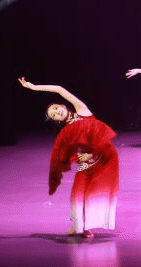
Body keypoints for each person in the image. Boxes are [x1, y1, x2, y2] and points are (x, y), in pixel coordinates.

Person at [19, 77, 119, 237]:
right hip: (87, 163)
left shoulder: (82, 110)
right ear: (56, 121)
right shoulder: (65, 133)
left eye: (56, 108)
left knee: (95, 192)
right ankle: (81, 225)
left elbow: (59, 89)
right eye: (53, 115)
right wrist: (79, 158)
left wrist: (34, 87)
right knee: (78, 192)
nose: (56, 112)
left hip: (104, 158)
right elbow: (70, 153)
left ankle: (86, 225)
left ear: (63, 106)